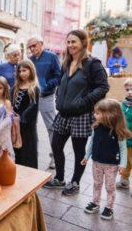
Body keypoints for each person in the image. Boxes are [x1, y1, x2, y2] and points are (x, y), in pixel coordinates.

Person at [44, 30, 109, 196]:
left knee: (79, 151)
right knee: (56, 145)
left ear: (83, 42)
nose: (71, 45)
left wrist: (84, 101)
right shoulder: (66, 63)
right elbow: (61, 84)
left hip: (80, 115)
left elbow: (103, 87)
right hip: (63, 114)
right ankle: (59, 178)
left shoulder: (92, 63)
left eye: (74, 41)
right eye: (68, 42)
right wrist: (59, 98)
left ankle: (75, 182)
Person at [81, 99, 129, 220]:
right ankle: (96, 202)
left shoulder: (118, 131)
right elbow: (92, 142)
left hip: (111, 165)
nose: (94, 115)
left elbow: (123, 149)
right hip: (96, 162)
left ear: (110, 115)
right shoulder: (96, 127)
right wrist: (86, 156)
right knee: (97, 184)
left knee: (109, 187)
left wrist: (122, 164)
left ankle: (109, 207)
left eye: (97, 113)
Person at [28, 35, 61, 169]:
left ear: (41, 43)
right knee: (30, 127)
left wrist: (47, 86)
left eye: (34, 45)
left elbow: (59, 76)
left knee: (51, 128)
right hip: (31, 98)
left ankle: (55, 157)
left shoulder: (52, 56)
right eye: (30, 46)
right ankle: (32, 154)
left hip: (46, 97)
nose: (32, 48)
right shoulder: (29, 60)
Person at [11, 60, 40, 168]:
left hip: (27, 126)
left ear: (31, 71)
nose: (22, 73)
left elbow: (33, 107)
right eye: (20, 71)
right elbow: (11, 103)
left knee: (27, 150)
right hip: (14, 124)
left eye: (24, 70)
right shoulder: (15, 88)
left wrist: (22, 118)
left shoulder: (34, 88)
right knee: (16, 148)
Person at [116, 78, 132, 192]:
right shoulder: (123, 105)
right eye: (128, 89)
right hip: (125, 140)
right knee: (125, 161)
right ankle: (124, 181)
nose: (130, 92)